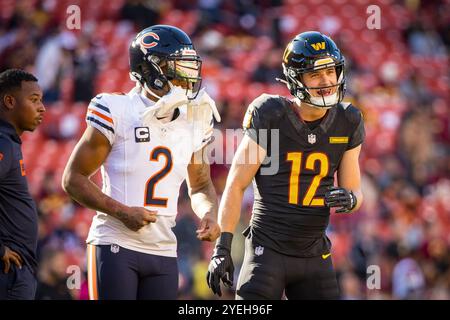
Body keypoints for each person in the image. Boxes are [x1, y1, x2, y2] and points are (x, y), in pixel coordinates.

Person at [62, 25, 221, 300]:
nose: (189, 76)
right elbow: (73, 179)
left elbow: (201, 185)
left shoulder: (195, 119)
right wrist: (122, 212)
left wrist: (208, 213)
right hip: (115, 244)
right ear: (152, 69)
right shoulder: (117, 109)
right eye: (179, 67)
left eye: (190, 66)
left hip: (164, 251)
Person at [207, 31, 365, 299]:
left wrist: (350, 199)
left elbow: (356, 193)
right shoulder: (271, 114)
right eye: (316, 74)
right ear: (295, 78)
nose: (327, 81)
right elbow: (236, 184)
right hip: (267, 250)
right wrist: (222, 247)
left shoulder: (347, 120)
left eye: (331, 71)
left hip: (315, 253)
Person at [0, 69, 46, 299]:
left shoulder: (9, 143)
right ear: (9, 101)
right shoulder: (3, 144)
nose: (42, 108)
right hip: (8, 271)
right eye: (34, 100)